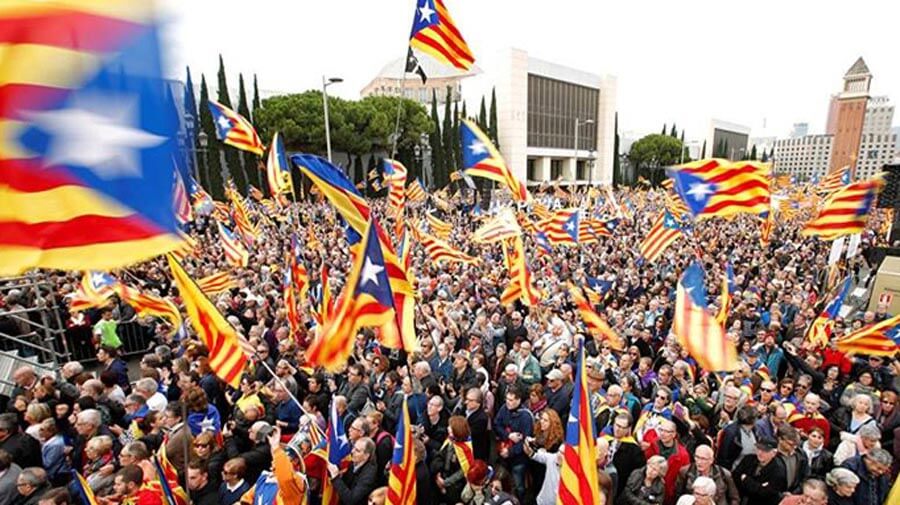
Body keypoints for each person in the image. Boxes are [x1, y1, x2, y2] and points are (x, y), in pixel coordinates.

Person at [674, 445, 739, 505]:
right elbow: (678, 494)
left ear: (711, 460)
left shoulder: (724, 474)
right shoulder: (685, 471)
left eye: (703, 459)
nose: (699, 462)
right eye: (697, 457)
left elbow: (734, 498)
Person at [733, 437, 787, 505]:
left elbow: (765, 493)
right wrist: (758, 486)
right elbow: (735, 477)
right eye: (759, 449)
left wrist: (746, 479)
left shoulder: (778, 470)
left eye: (765, 451)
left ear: (774, 453)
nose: (760, 453)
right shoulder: (748, 459)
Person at [431, 416, 471, 504]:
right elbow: (441, 455)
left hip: (454, 485)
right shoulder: (450, 440)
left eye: (450, 427)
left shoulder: (466, 448)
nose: (448, 428)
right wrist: (438, 473)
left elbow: (463, 471)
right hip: (442, 476)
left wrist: (445, 483)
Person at [328, 437, 377, 505]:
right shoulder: (354, 462)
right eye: (353, 447)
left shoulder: (368, 476)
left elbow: (351, 500)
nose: (352, 451)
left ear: (366, 456)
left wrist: (336, 478)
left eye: (357, 450)